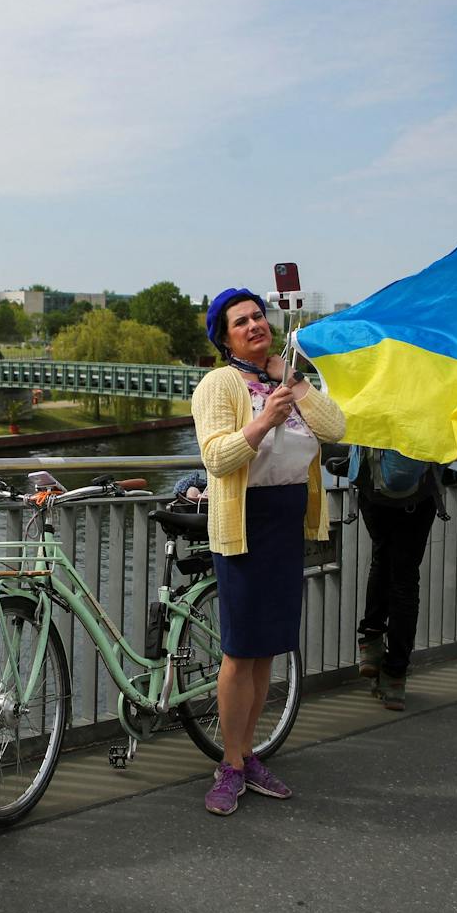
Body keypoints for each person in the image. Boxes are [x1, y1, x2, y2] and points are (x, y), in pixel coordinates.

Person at [192, 287, 344, 816]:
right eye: (242, 322)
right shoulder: (220, 383)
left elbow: (337, 428)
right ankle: (230, 766)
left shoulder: (286, 379)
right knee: (239, 651)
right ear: (225, 337)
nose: (255, 325)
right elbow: (216, 458)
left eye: (259, 316)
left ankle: (247, 754)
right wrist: (262, 420)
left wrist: (294, 384)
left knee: (267, 650)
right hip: (243, 524)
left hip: (285, 525)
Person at [350, 450, 453, 712]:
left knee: (382, 558)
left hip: (374, 490)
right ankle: (395, 677)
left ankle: (371, 642)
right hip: (419, 495)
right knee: (406, 579)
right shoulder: (435, 407)